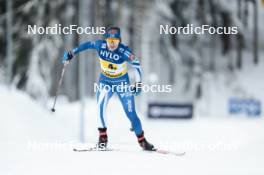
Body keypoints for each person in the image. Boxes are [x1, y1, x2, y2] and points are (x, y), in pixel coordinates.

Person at [63, 27, 154, 151]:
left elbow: (137, 65)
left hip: (122, 84)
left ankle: (142, 141)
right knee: (100, 105)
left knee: (131, 114)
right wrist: (71, 53)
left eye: (115, 42)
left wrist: (138, 84)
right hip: (105, 82)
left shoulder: (124, 51)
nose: (111, 45)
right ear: (105, 40)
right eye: (109, 41)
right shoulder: (100, 45)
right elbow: (87, 45)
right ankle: (103, 139)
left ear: (119, 41)